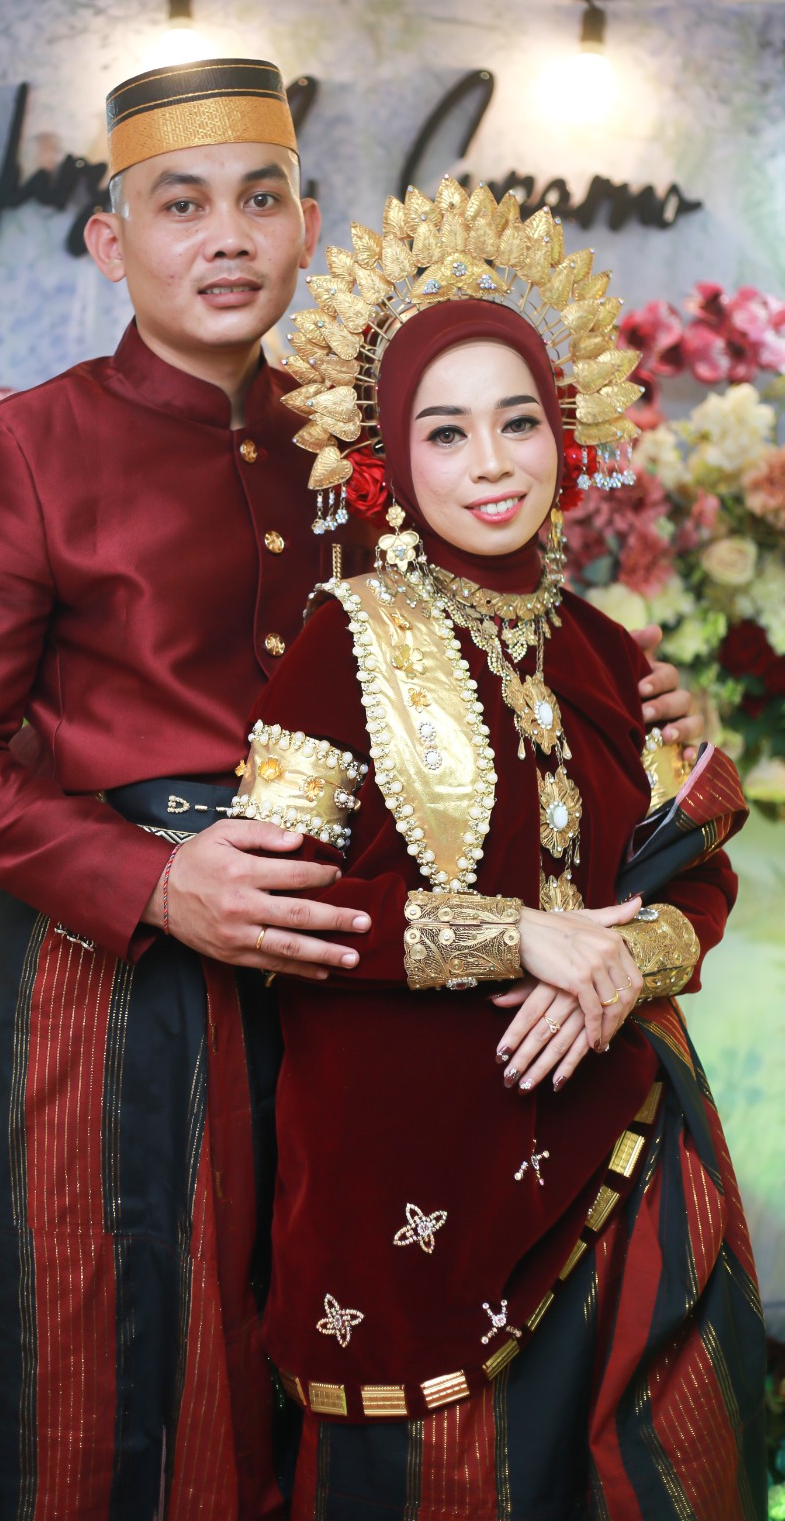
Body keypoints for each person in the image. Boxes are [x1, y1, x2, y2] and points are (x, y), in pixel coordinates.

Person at [0, 57, 699, 1520]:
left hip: (371, 969)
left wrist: (641, 709)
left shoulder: (376, 440)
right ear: (108, 239)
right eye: (179, 204)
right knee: (123, 1342)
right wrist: (154, 882)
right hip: (124, 982)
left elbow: (497, 634)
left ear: (308, 226)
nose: (227, 237)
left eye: (261, 200)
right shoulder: (32, 445)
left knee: (343, 1343)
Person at [233, 180, 766, 1519]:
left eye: (518, 421)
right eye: (445, 429)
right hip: (406, 1169)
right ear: (385, 457)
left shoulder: (606, 647)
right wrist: (517, 936)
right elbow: (275, 913)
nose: (491, 462)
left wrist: (618, 965)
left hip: (618, 1133)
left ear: (562, 434)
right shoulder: (341, 641)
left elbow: (694, 872)